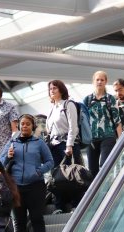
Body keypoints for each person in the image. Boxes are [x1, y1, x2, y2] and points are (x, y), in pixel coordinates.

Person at [0, 114, 54, 232]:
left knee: (36, 218)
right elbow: (0, 165)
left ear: (32, 126)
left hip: (35, 186)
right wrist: (8, 157)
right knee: (18, 221)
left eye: (27, 124)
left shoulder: (39, 143)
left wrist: (38, 171)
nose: (24, 126)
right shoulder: (12, 143)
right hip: (16, 187)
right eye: (22, 124)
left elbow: (50, 162)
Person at [45, 80, 82, 214]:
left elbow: (73, 127)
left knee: (72, 176)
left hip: (67, 145)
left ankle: (75, 204)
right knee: (56, 178)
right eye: (50, 89)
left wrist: (69, 144)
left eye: (55, 88)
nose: (52, 91)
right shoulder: (51, 109)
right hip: (54, 146)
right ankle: (58, 205)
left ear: (61, 90)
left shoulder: (68, 104)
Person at [83, 71, 122, 176]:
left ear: (106, 82)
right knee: (92, 170)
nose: (99, 82)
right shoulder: (88, 99)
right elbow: (83, 120)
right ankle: (95, 192)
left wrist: (121, 139)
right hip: (91, 139)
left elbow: (117, 121)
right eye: (97, 79)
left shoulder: (110, 99)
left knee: (104, 166)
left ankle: (106, 191)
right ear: (93, 81)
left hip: (108, 136)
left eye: (102, 80)